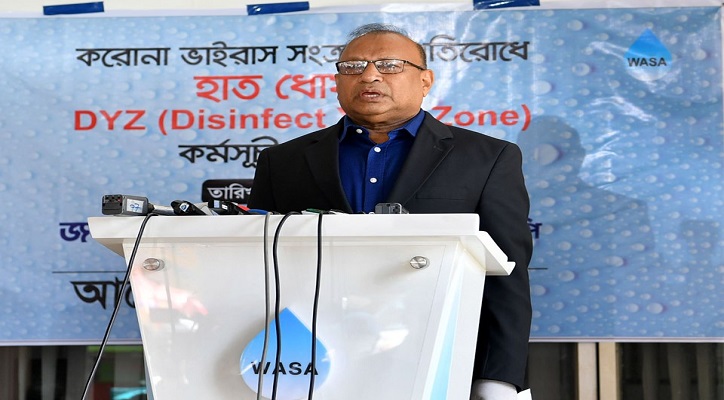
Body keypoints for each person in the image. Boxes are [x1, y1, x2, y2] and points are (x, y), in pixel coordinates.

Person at [248, 23, 533, 400]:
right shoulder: (283, 162)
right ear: (337, 82)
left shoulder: (487, 158)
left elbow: (508, 275)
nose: (369, 76)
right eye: (353, 67)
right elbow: (257, 272)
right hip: (308, 364)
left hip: (441, 360)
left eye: (389, 65)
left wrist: (498, 378)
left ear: (425, 80)